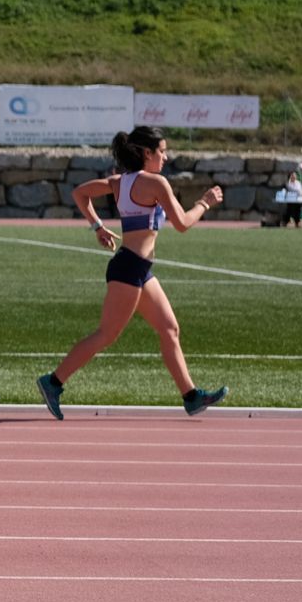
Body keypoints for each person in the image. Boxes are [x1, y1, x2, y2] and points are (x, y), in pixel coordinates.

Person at [37, 127, 227, 419]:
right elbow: (183, 223)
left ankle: (190, 396)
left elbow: (80, 193)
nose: (165, 157)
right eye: (161, 151)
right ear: (146, 153)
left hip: (137, 267)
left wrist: (97, 226)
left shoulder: (119, 182)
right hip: (130, 268)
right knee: (106, 334)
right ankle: (53, 382)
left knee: (169, 329)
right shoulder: (156, 183)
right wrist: (205, 202)